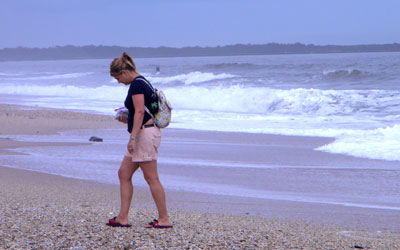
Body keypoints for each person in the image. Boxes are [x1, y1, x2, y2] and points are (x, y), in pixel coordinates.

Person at [106, 52, 172, 229]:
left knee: (151, 178)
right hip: (143, 132)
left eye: (118, 77)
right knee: (124, 174)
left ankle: (164, 219)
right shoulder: (143, 82)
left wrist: (133, 137)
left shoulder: (136, 85)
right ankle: (122, 217)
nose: (118, 81)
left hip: (144, 135)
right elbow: (139, 112)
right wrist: (127, 120)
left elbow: (141, 112)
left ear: (125, 71)